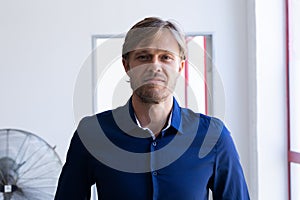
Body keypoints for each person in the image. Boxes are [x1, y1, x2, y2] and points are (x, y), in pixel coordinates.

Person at [55, 17, 250, 200]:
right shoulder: (92, 133)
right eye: (143, 57)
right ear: (127, 65)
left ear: (180, 67)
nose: (154, 66)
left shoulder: (214, 136)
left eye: (165, 57)